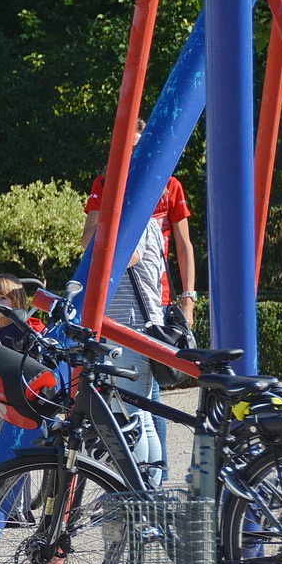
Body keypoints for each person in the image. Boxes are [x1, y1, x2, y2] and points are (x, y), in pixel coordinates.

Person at [82, 125, 189, 487]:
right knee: (135, 408)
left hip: (130, 322)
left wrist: (108, 220)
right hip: (120, 320)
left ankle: (146, 489)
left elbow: (123, 255)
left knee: (134, 412)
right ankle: (145, 486)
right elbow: (88, 244)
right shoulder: (128, 207)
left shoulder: (139, 213)